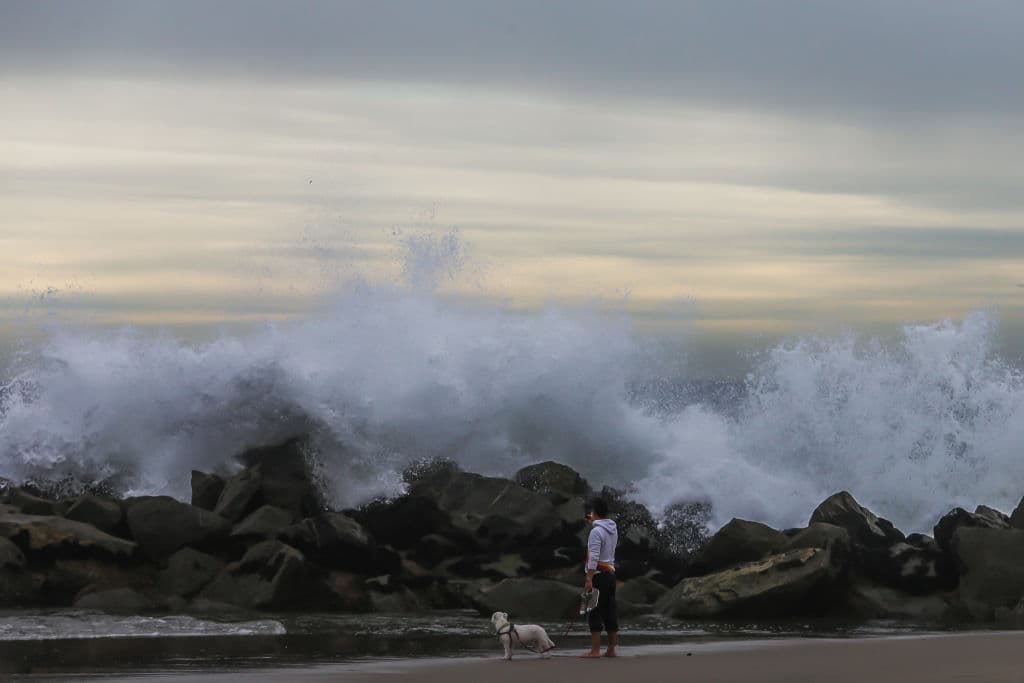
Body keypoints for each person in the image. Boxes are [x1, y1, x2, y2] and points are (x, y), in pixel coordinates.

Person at [582, 497, 618, 658]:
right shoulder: (612, 528)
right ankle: (611, 649)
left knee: (594, 611)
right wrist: (595, 521)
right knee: (610, 611)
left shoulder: (596, 531)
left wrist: (589, 578)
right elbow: (601, 525)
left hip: (598, 575)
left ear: (594, 512)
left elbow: (594, 557)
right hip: (610, 574)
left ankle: (595, 650)